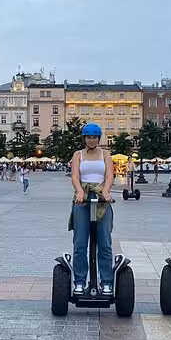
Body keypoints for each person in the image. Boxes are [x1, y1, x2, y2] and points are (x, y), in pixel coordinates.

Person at [68, 123, 114, 295]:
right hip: (82, 200)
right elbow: (75, 176)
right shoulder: (78, 154)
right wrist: (79, 191)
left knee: (105, 243)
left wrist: (106, 190)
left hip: (102, 199)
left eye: (94, 137)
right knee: (80, 243)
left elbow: (109, 175)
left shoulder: (106, 154)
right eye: (88, 137)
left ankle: (107, 281)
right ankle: (79, 281)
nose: (91, 140)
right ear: (84, 138)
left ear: (98, 138)